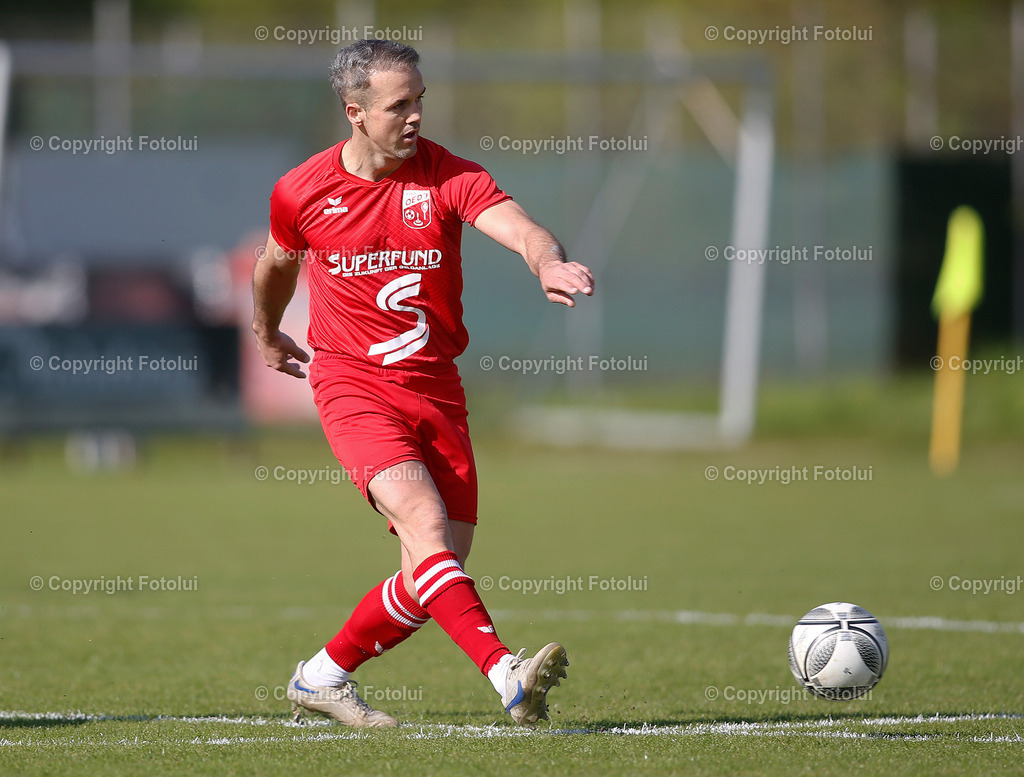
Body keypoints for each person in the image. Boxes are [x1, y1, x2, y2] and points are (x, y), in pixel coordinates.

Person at [252, 39, 594, 728]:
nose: (415, 116)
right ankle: (509, 676)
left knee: (434, 571)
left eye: (419, 100)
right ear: (355, 112)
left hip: (436, 389)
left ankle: (320, 675)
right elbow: (275, 267)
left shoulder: (448, 177)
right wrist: (266, 332)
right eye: (398, 105)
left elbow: (521, 228)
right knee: (424, 523)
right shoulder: (302, 190)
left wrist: (545, 262)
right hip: (351, 384)